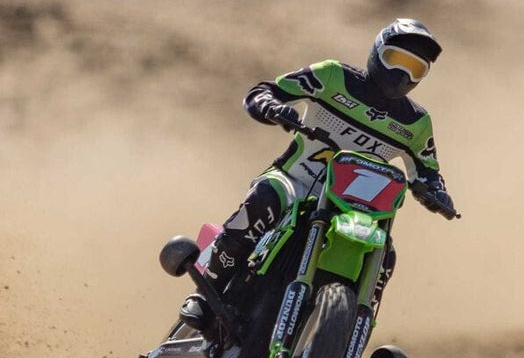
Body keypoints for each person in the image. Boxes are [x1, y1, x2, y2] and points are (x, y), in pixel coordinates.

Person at [182, 18, 455, 332]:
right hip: (294, 182)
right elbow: (265, 91)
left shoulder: (416, 123)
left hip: (353, 212)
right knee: (263, 200)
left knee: (385, 257)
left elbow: (428, 170)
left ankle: (351, 335)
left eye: (416, 69)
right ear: (377, 52)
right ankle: (204, 295)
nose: (403, 74)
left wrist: (435, 192)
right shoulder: (332, 75)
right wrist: (271, 107)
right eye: (396, 59)